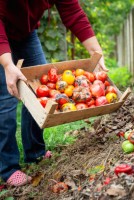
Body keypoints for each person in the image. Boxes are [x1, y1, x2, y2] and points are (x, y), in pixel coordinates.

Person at [0, 0, 107, 187]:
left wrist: (96, 52)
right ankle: (7, 167)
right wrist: (8, 64)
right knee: (6, 98)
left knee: (37, 91)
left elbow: (73, 12)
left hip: (25, 34)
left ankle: (34, 153)